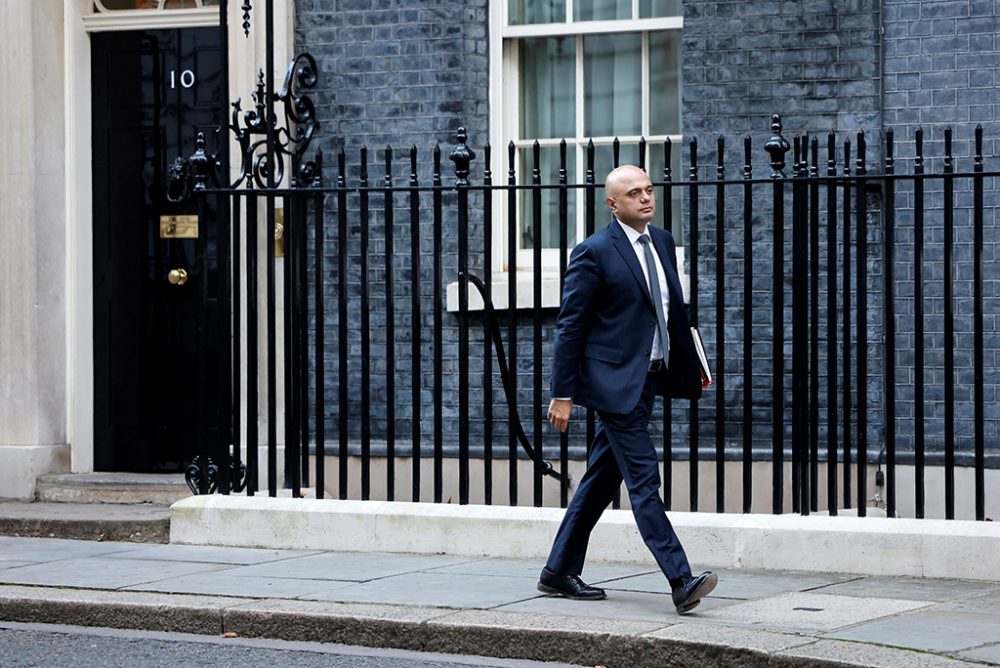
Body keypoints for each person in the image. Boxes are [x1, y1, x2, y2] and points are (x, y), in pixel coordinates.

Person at [537, 164, 717, 615]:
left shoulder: (661, 241)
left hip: (649, 377)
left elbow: (671, 307)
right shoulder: (593, 252)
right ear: (612, 203)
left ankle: (557, 571)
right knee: (643, 478)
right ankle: (680, 579)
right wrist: (563, 393)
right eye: (633, 193)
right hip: (612, 384)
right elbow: (570, 327)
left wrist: (689, 358)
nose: (645, 198)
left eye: (649, 190)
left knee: (601, 480)